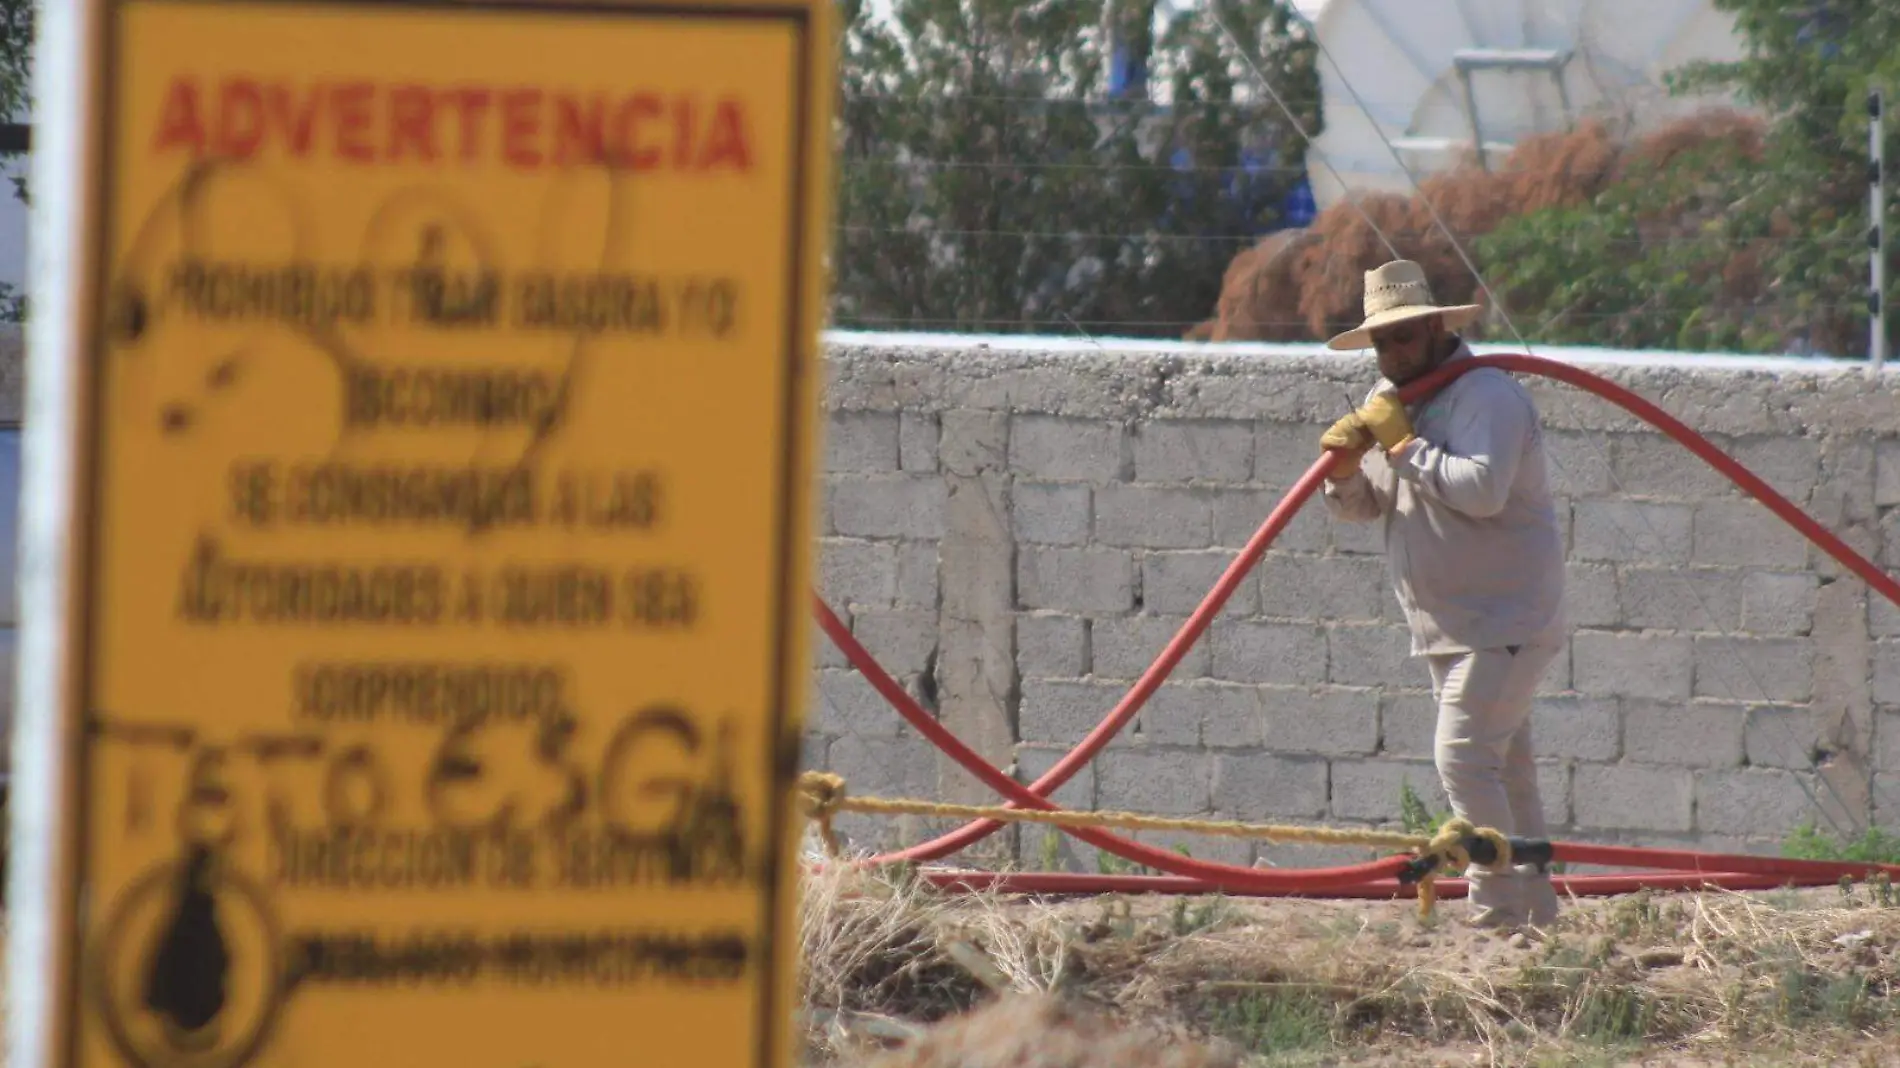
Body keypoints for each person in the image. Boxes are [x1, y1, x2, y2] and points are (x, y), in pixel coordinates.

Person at [1317, 259, 1567, 932]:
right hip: (1450, 626)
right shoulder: (1398, 402)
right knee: (1506, 771)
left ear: (1433, 327)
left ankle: (1495, 915)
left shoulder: (1486, 396)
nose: (1392, 352)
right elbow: (1370, 505)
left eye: (1404, 337)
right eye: (1382, 342)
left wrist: (1403, 447)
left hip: (1503, 618)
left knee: (1461, 757)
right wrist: (1343, 474)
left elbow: (1482, 491)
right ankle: (1535, 920)